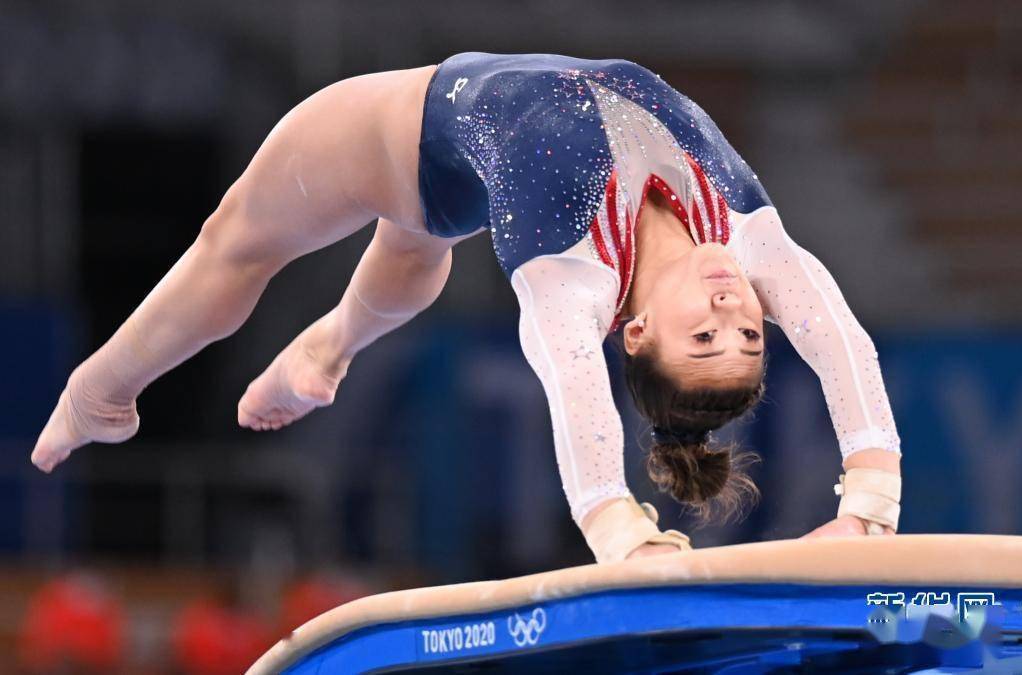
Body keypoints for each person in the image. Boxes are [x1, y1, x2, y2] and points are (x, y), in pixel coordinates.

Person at [30, 53, 903, 564]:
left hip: (400, 134)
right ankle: (332, 345)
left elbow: (575, 390)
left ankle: (98, 393)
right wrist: (869, 502)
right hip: (467, 162)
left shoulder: (573, 275)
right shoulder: (748, 236)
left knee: (239, 241)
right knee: (414, 243)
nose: (732, 309)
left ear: (634, 331)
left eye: (704, 338)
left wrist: (618, 530)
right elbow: (840, 340)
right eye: (749, 334)